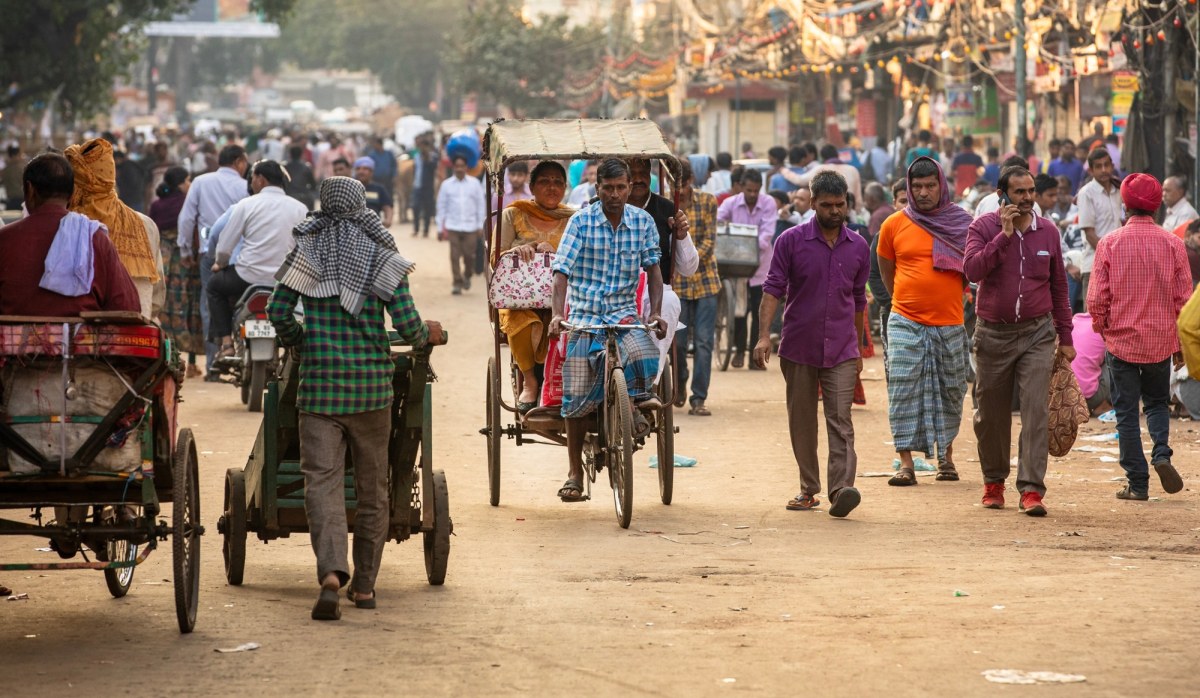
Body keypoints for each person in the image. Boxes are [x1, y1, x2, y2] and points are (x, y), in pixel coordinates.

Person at [266, 176, 445, 620]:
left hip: (321, 393)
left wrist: (301, 341)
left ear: (322, 206)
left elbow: (276, 311)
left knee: (322, 487)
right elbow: (408, 326)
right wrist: (427, 335)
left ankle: (331, 574)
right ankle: (363, 587)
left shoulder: (307, 252)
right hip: (371, 394)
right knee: (373, 491)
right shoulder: (382, 256)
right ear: (362, 205)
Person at [547, 158, 665, 502]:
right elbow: (561, 273)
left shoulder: (643, 222)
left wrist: (654, 312)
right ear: (597, 189)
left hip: (624, 313)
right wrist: (557, 314)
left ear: (630, 187)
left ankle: (635, 408)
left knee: (646, 355)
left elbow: (654, 271)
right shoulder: (580, 222)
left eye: (621, 188)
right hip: (584, 316)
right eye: (608, 188)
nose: (615, 194)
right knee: (577, 388)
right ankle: (574, 473)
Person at [754, 171, 868, 517]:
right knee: (802, 419)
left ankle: (841, 489)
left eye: (841, 204)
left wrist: (860, 347)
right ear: (813, 204)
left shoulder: (859, 246)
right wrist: (762, 336)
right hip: (799, 345)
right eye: (828, 205)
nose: (836, 211)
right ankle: (808, 489)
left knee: (840, 418)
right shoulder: (790, 241)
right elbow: (773, 289)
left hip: (843, 348)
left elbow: (859, 299)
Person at [964, 167, 1074, 516]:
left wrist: (1066, 336)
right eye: (1019, 192)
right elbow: (972, 271)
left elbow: (1059, 287)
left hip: (1037, 333)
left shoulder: (1049, 233)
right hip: (992, 333)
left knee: (1035, 410)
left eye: (1030, 191)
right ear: (1002, 195)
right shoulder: (982, 227)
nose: (1027, 198)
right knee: (991, 415)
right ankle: (993, 482)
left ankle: (1031, 490)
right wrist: (1005, 237)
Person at [1088, 173, 1191, 501]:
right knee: (1158, 403)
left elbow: (1096, 300)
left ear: (1125, 205)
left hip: (1122, 341)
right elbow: (1183, 300)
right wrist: (1179, 345)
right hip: (1160, 340)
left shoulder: (1109, 243)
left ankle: (1137, 482)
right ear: (1157, 206)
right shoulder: (1174, 243)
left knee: (1126, 412)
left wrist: (1102, 328)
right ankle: (1161, 451)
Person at [876, 157, 973, 485]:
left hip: (950, 321)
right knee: (902, 387)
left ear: (942, 185)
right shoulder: (893, 224)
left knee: (951, 388)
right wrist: (904, 300)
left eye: (930, 185)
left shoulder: (962, 224)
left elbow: (972, 269)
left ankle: (946, 458)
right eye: (916, 187)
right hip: (904, 319)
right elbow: (886, 270)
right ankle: (906, 464)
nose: (923, 192)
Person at [0, 152, 140, 315]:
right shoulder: (94, 237)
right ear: (73, 194)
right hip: (81, 340)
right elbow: (127, 306)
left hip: (12, 340)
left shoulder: (5, 239)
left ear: (30, 190)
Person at [497, 161, 575, 411]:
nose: (551, 187)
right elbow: (495, 259)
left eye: (557, 182)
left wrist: (557, 254)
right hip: (520, 297)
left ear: (565, 187)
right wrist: (522, 250)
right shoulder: (513, 214)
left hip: (563, 295)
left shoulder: (573, 218)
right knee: (519, 317)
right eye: (544, 181)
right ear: (532, 187)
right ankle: (530, 380)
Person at [209, 160, 308, 358]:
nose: (251, 182)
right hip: (286, 280)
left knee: (214, 287)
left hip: (247, 276)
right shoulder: (300, 209)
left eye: (252, 177)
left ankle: (227, 343)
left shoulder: (246, 205)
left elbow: (225, 244)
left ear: (261, 179)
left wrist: (220, 263)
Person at [65, 138, 164, 319]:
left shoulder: (63, 225)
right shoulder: (145, 224)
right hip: (134, 332)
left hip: (74, 336)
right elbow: (157, 299)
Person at [178, 144, 249, 379]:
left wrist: (185, 250)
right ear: (239, 162)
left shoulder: (200, 182)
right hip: (240, 257)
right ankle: (244, 357)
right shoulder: (246, 186)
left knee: (209, 305)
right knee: (243, 303)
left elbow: (187, 218)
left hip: (209, 254)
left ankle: (213, 365)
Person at [626, 157, 695, 384]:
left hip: (653, 291)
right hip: (609, 288)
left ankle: (648, 385)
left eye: (642, 172)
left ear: (650, 174)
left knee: (669, 302)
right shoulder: (601, 205)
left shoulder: (667, 209)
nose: (637, 179)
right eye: (631, 173)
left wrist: (681, 236)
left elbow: (688, 268)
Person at [673, 159, 720, 416]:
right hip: (678, 286)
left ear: (689, 181)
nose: (676, 188)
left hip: (705, 281)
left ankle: (698, 398)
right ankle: (680, 381)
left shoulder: (708, 201)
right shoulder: (667, 204)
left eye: (679, 182)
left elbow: (709, 242)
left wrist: (686, 259)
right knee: (677, 343)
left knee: (704, 342)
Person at [719, 169, 777, 370]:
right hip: (737, 265)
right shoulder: (730, 203)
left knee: (759, 311)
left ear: (760, 189)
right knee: (739, 312)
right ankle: (739, 351)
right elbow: (718, 223)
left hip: (761, 266)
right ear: (741, 187)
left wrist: (748, 248)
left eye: (756, 190)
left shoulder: (768, 203)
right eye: (749, 190)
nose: (752, 194)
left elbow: (767, 234)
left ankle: (756, 355)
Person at [150, 166, 204, 378]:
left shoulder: (157, 205)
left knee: (167, 306)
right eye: (188, 180)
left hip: (163, 259)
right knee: (189, 305)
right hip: (185, 259)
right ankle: (190, 363)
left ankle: (170, 357)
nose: (190, 184)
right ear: (180, 183)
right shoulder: (187, 202)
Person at [1077, 148, 1122, 305]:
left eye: (1106, 165)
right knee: (1092, 320)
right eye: (1098, 166)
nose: (1104, 170)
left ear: (1112, 165)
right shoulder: (1086, 194)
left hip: (1119, 265)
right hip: (1094, 265)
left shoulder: (1119, 191)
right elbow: (1089, 234)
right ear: (1091, 170)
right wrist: (1110, 258)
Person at [436, 155, 486, 295]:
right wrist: (440, 227)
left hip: (470, 227)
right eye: (457, 166)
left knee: (469, 256)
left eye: (462, 166)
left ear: (466, 167)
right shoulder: (446, 185)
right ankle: (457, 282)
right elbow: (441, 206)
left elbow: (480, 205)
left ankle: (467, 275)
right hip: (453, 226)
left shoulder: (474, 184)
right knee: (454, 255)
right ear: (453, 167)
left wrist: (479, 225)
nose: (459, 169)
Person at [779, 145, 863, 211]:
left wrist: (784, 171)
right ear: (837, 155)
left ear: (822, 157)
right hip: (848, 211)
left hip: (828, 212)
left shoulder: (821, 168)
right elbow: (858, 199)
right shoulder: (853, 170)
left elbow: (799, 180)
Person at [1072, 312, 1112, 416]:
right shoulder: (1106, 326)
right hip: (1090, 399)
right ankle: (1106, 405)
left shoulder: (1076, 319)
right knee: (1120, 360)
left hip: (1067, 398)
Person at [352, 157, 394, 227]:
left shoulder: (379, 189)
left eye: (365, 169)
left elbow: (387, 207)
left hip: (373, 228)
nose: (361, 171)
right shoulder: (350, 188)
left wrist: (388, 220)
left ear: (371, 172)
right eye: (358, 169)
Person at [411, 137, 439, 237]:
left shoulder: (433, 157)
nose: (422, 148)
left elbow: (434, 168)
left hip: (428, 187)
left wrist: (427, 159)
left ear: (427, 147)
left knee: (427, 209)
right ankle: (416, 229)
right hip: (417, 186)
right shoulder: (417, 156)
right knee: (415, 207)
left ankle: (426, 230)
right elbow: (415, 170)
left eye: (424, 146)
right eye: (421, 146)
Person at [284, 144, 318, 210]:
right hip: (303, 196)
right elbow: (313, 184)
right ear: (301, 154)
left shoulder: (284, 167)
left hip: (288, 195)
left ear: (290, 154)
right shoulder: (306, 167)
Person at [3, 144, 27, 210]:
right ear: (15, 156)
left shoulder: (5, 170)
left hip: (11, 201)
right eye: (20, 155)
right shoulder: (23, 168)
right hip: (21, 201)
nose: (21, 157)